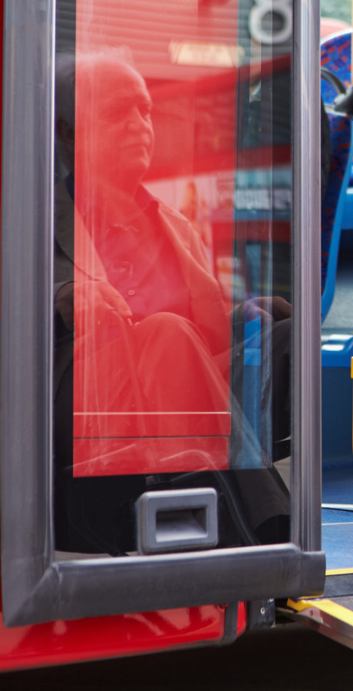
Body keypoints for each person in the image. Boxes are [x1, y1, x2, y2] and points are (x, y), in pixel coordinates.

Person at [53, 49, 292, 552]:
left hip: (182, 380)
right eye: (121, 112)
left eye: (146, 111)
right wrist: (63, 296)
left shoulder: (175, 225)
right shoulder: (33, 220)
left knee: (286, 333)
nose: (142, 124)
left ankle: (228, 497)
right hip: (90, 397)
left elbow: (204, 332)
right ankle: (267, 527)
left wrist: (244, 317)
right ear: (69, 134)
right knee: (165, 334)